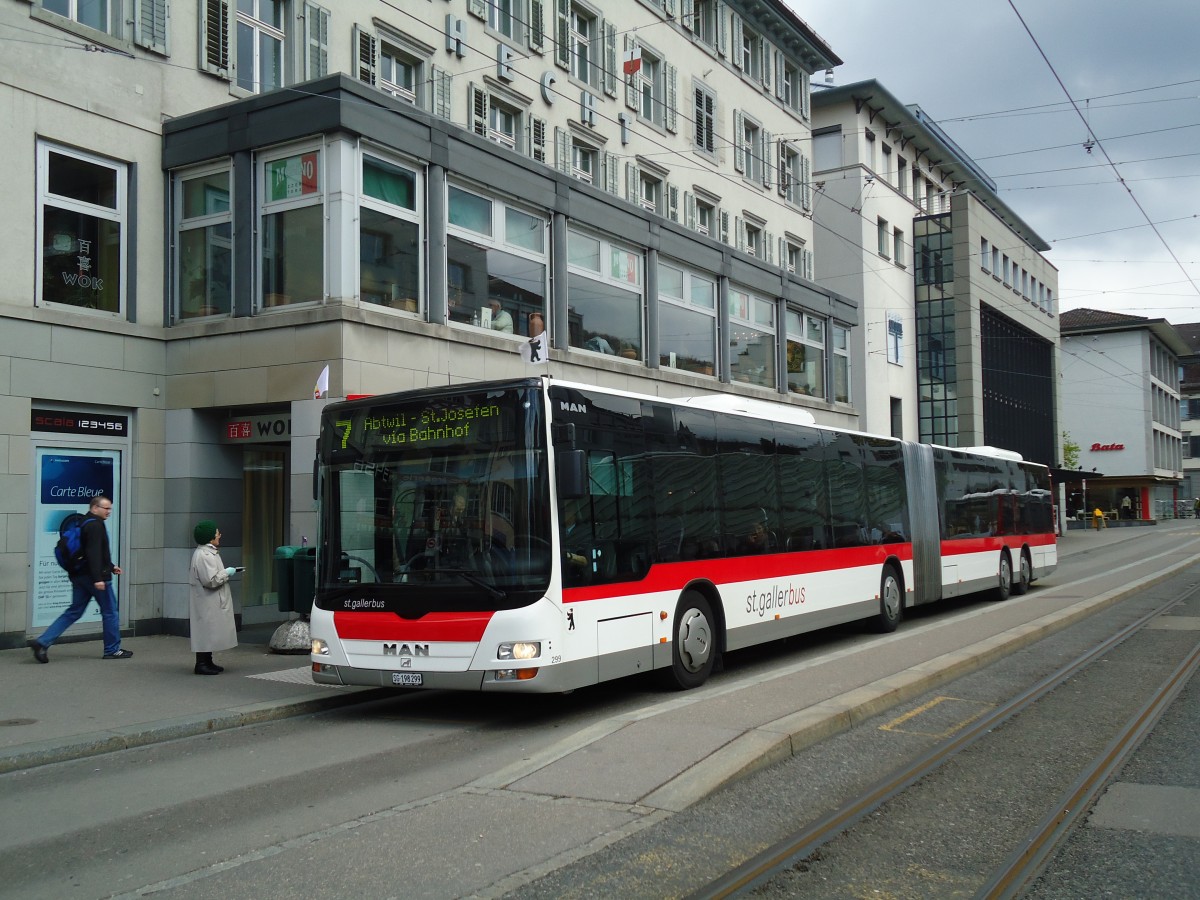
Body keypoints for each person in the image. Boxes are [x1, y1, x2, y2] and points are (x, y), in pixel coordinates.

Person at [30, 495, 129, 662]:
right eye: (106, 508)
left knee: (74, 611)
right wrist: (98, 578)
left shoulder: (83, 522)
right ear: (95, 508)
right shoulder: (96, 525)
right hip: (95, 578)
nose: (109, 512)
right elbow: (93, 553)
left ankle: (42, 642)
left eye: (110, 508)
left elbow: (89, 551)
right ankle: (112, 649)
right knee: (110, 612)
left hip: (79, 576)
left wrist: (111, 566)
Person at [189, 520, 239, 675]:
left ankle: (207, 661)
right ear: (210, 537)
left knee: (208, 631)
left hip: (208, 600)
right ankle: (202, 663)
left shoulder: (206, 553)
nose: (219, 535)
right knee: (206, 630)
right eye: (217, 533)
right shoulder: (205, 555)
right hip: (207, 600)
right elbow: (211, 580)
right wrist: (227, 572)